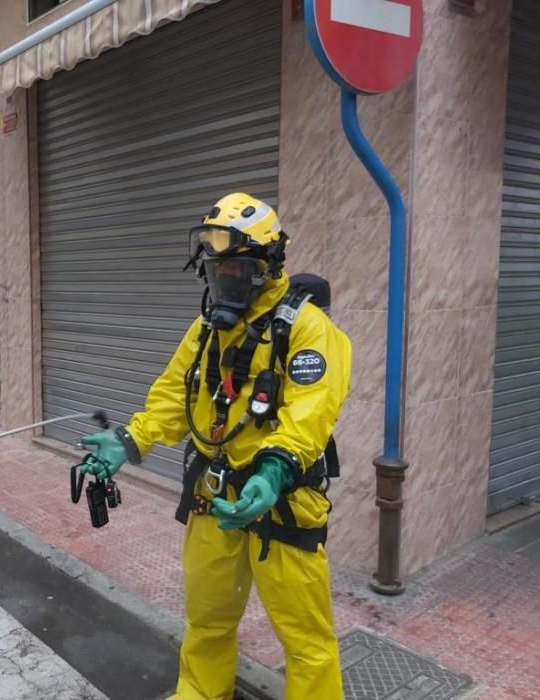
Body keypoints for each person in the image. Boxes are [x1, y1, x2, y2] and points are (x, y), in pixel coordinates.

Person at [79, 193, 351, 699]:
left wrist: (274, 472)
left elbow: (310, 413)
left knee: (307, 642)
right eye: (214, 270)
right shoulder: (207, 331)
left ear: (267, 268)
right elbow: (172, 397)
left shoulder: (311, 332)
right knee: (207, 621)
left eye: (235, 271)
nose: (222, 282)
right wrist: (129, 440)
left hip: (283, 503)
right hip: (214, 498)